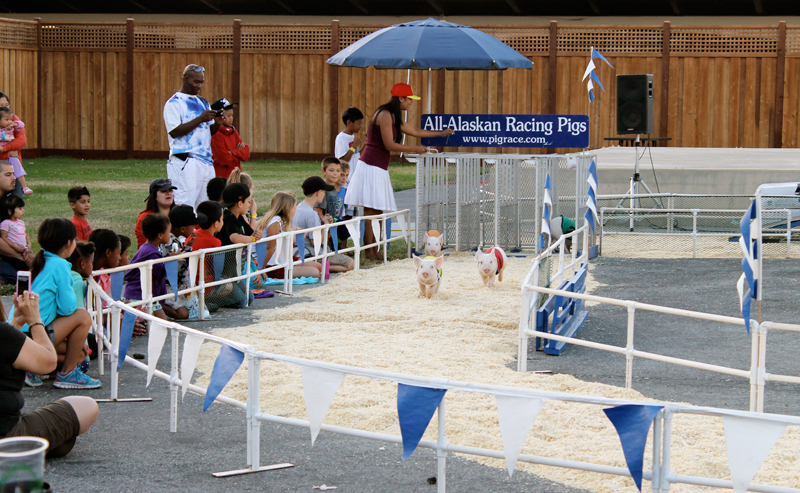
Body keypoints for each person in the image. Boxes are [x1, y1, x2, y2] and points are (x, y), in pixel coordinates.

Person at [345, 83, 453, 259]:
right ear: (400, 98)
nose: (411, 102)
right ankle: (369, 252)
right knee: (371, 212)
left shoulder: (393, 116)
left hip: (378, 167)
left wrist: (440, 134)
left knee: (377, 211)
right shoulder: (385, 115)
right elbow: (389, 145)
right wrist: (415, 149)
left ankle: (375, 250)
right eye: (409, 99)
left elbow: (415, 131)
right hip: (371, 166)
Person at [1, 290, 99, 458]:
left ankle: (48, 444)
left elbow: (6, 347)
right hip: (7, 435)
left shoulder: (5, 334)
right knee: (87, 406)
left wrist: (16, 323)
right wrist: (35, 321)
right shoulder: (3, 334)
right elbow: (48, 362)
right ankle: (34, 449)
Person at [8, 218, 99, 389]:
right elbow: (68, 308)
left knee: (79, 353)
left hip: (18, 335)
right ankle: (67, 375)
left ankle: (31, 368)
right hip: (32, 334)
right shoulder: (60, 265)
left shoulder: (40, 262)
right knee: (82, 315)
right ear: (69, 243)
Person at [163, 64, 219, 209]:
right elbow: (175, 131)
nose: (199, 85)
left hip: (206, 160)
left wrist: (218, 122)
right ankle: (182, 233)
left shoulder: (203, 102)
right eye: (196, 81)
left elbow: (209, 131)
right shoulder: (174, 103)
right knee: (185, 204)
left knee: (205, 205)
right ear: (185, 79)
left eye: (201, 82)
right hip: (185, 159)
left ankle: (200, 232)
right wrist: (200, 118)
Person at [294, 177, 354, 274]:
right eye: (324, 192)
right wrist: (326, 226)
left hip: (300, 251)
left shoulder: (299, 207)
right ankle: (321, 267)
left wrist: (323, 223)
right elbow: (316, 243)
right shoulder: (311, 214)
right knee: (351, 264)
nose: (325, 194)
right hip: (313, 253)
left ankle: (318, 266)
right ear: (318, 193)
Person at [258, 191, 322, 279]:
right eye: (294, 206)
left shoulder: (282, 221)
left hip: (283, 258)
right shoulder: (275, 223)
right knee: (315, 272)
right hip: (273, 264)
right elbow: (270, 248)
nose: (296, 208)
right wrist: (260, 270)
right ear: (288, 208)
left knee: (318, 266)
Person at [159, 205, 205, 321]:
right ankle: (154, 304)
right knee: (183, 314)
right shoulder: (170, 242)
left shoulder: (174, 240)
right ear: (183, 229)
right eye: (193, 225)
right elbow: (175, 267)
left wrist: (188, 247)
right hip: (165, 285)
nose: (195, 228)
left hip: (172, 284)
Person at [123, 214, 171, 321]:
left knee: (162, 322)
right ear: (160, 235)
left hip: (145, 294)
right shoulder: (151, 253)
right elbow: (160, 273)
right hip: (139, 294)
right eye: (168, 232)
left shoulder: (146, 248)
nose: (170, 236)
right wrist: (171, 260)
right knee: (161, 323)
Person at [210, 98, 250, 179]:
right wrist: (238, 155)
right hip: (222, 177)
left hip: (236, 175)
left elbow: (246, 153)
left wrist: (232, 152)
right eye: (228, 116)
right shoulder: (215, 135)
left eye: (232, 115)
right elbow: (225, 159)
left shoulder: (232, 131)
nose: (231, 118)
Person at [0, 99, 30, 196]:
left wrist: (4, 149)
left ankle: (24, 187)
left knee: (15, 201)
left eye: (6, 105)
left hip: (10, 158)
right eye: (1, 105)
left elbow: (21, 141)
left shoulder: (11, 121)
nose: (4, 107)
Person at [135, 178, 176, 248]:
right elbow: (144, 247)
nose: (168, 193)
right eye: (163, 191)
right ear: (154, 196)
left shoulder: (180, 212)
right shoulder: (145, 218)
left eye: (170, 190)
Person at [334, 107, 364, 187]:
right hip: (346, 182)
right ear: (349, 122)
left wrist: (367, 143)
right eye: (359, 124)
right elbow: (343, 161)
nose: (360, 126)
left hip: (356, 179)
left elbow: (358, 155)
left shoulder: (353, 137)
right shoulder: (341, 138)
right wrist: (354, 146)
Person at [0, 195, 31, 262]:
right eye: (20, 209)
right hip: (14, 252)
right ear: (10, 211)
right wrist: (14, 246)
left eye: (23, 208)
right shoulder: (6, 223)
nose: (23, 210)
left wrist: (29, 244)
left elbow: (25, 235)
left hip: (24, 250)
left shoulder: (21, 223)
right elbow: (3, 238)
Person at [68, 242, 95, 310]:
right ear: (83, 264)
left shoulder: (66, 274)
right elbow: (79, 311)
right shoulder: (78, 283)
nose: (92, 266)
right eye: (91, 262)